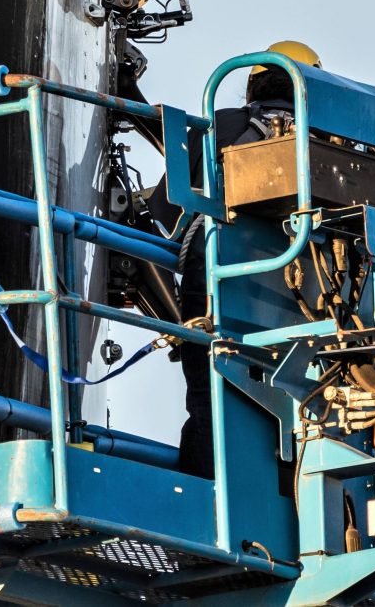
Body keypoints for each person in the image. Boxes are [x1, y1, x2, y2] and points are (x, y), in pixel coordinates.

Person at [125, 40, 318, 478]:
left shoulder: (225, 125)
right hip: (304, 293)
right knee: (300, 408)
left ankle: (205, 495)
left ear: (251, 87)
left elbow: (170, 210)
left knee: (211, 400)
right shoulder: (327, 146)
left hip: (219, 279)